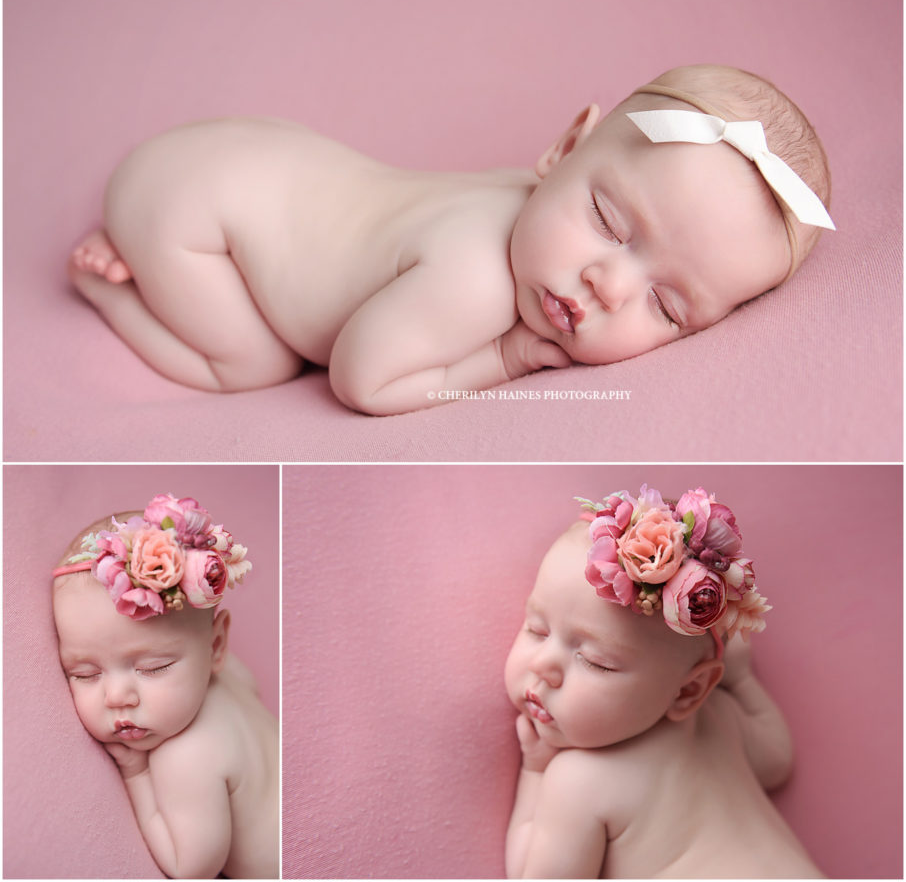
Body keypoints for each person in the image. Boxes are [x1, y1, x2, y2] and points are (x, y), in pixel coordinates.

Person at [69, 64, 833, 415]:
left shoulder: (528, 200)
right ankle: (110, 280)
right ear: (564, 150)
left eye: (667, 306)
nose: (609, 284)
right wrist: (499, 359)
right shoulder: (473, 278)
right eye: (608, 222)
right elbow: (361, 382)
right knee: (254, 363)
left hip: (252, 156)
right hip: (194, 217)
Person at [504, 485, 823, 879]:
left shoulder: (577, 781)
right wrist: (740, 682)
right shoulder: (719, 717)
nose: (544, 665)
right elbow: (776, 760)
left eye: (596, 663)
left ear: (689, 690)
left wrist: (535, 771)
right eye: (536, 630)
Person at [51, 494, 278, 879]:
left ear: (216, 646)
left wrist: (137, 774)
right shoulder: (233, 674)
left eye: (154, 668)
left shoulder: (186, 756)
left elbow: (189, 868)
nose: (117, 697)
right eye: (86, 673)